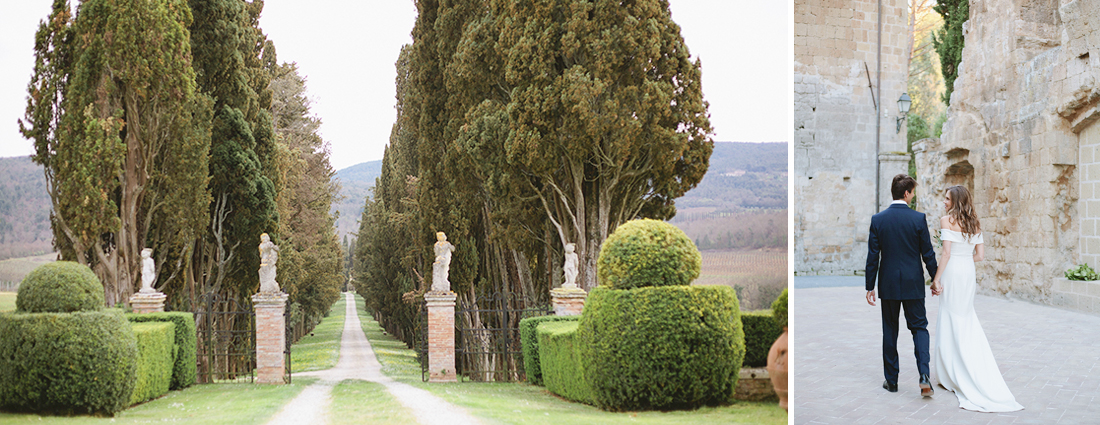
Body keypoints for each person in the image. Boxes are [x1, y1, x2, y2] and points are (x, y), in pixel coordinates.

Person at [931, 185, 1023, 412]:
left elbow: (946, 253)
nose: (944, 202)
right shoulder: (975, 223)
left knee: (950, 316)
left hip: (952, 272)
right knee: (964, 316)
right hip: (967, 273)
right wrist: (965, 261)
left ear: (955, 201)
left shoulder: (946, 221)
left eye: (947, 199)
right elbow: (980, 256)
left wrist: (936, 279)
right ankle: (965, 364)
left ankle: (949, 374)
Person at [866, 174, 939, 396]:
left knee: (890, 329)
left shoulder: (878, 220)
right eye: (913, 192)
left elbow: (872, 256)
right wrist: (935, 279)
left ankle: (892, 381)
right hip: (913, 283)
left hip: (887, 283)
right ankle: (924, 375)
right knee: (919, 328)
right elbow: (928, 254)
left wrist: (870, 286)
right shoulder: (918, 219)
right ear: (906, 193)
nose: (913, 196)